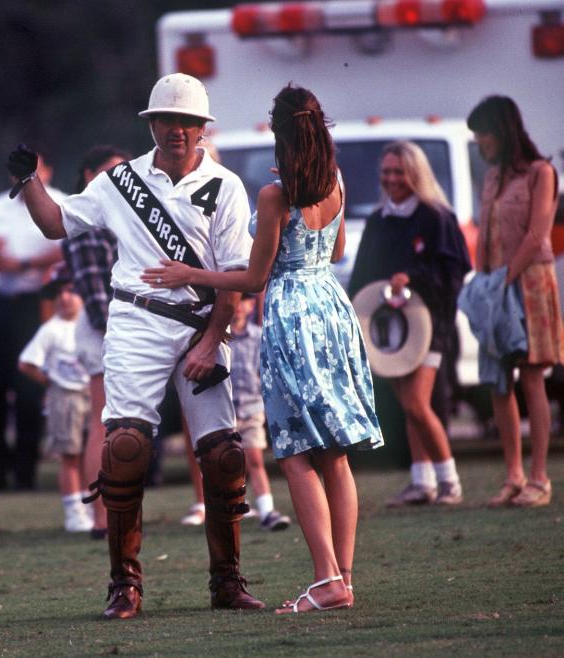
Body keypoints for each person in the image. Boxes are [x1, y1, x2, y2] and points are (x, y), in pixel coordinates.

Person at [10, 72, 265, 618]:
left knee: (223, 455)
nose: (178, 131)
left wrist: (212, 339)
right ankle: (123, 586)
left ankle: (228, 581)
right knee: (124, 448)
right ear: (152, 125)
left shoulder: (226, 187)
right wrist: (30, 180)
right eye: (168, 121)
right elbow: (57, 224)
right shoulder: (118, 182)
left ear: (202, 129)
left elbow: (235, 275)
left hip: (202, 321)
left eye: (189, 122)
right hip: (136, 320)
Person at [142, 84, 384, 614]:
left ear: (280, 135)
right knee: (335, 455)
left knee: (295, 453)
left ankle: (325, 578)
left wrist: (189, 273)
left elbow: (254, 278)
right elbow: (338, 247)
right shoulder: (335, 185)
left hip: (293, 313)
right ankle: (342, 577)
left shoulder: (277, 196)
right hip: (331, 306)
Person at [348, 141, 471, 508]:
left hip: (428, 324)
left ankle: (449, 480)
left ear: (415, 173)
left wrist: (412, 278)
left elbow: (453, 269)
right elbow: (363, 275)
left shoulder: (436, 217)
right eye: (386, 172)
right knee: (407, 403)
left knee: (418, 403)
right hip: (388, 328)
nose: (391, 179)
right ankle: (423, 481)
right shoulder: (378, 219)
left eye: (399, 171)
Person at [467, 95, 561, 508]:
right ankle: (513, 475)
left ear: (500, 131)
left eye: (482, 133)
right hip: (494, 286)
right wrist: (484, 284)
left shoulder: (542, 173)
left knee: (532, 375)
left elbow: (538, 235)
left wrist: (505, 279)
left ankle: (539, 477)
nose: (480, 142)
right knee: (498, 379)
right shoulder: (491, 175)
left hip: (529, 284)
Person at [0, 150, 65, 491]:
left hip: (35, 304)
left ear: (48, 171)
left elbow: (67, 249)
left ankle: (25, 470)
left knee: (28, 390)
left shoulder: (63, 204)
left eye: (33, 169)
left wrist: (24, 265)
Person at [62, 145, 132, 540]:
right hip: (103, 330)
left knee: (110, 422)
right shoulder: (87, 219)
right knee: (102, 422)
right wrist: (122, 335)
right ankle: (102, 516)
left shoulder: (107, 213)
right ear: (90, 175)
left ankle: (109, 513)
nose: (120, 179)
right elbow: (94, 296)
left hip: (112, 328)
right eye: (110, 171)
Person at [18, 264, 94, 532]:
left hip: (91, 394)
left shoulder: (91, 322)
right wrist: (52, 381)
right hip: (66, 397)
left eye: (72, 291)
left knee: (89, 452)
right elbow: (27, 363)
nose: (65, 297)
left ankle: (89, 505)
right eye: (59, 292)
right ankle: (73, 510)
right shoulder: (52, 329)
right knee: (69, 454)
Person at [228, 294, 292, 531]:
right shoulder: (220, 338)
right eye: (235, 300)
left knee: (255, 458)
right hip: (227, 412)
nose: (239, 307)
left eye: (245, 300)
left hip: (252, 409)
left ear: (252, 304)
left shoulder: (258, 337)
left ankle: (267, 511)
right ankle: (230, 510)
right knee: (229, 464)